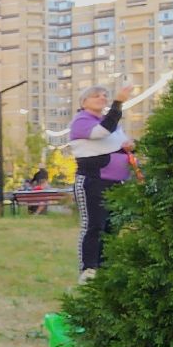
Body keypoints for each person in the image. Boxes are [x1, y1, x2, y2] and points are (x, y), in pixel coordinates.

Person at [68, 84, 133, 283]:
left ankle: (105, 267)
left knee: (110, 227)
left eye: (105, 95)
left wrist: (130, 147)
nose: (102, 98)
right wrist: (118, 102)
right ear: (84, 102)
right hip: (93, 181)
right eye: (96, 96)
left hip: (114, 183)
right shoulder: (82, 121)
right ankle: (88, 269)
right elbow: (102, 133)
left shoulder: (110, 123)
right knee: (94, 225)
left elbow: (118, 144)